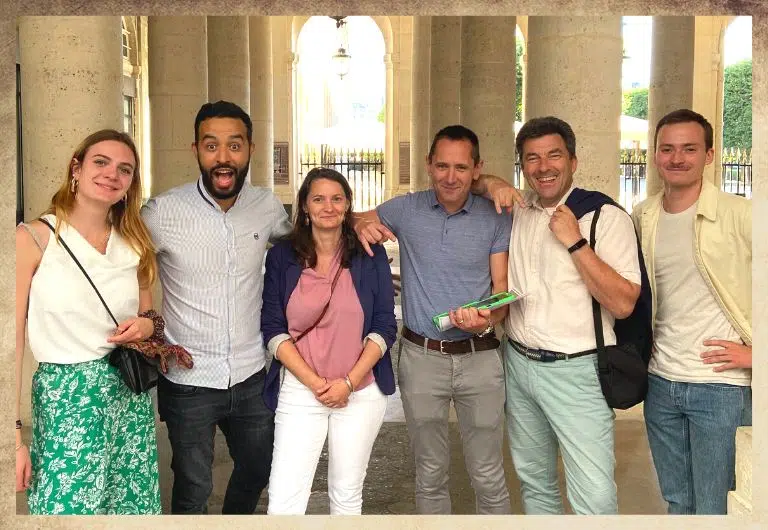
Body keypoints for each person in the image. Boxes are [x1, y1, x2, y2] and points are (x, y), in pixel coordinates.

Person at [478, 116, 642, 514]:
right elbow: (470, 180)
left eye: (554, 155)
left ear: (573, 161)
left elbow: (623, 303)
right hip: (518, 364)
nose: (543, 166)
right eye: (531, 158)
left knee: (594, 495)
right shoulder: (518, 210)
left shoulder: (604, 217)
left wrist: (575, 242)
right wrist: (495, 183)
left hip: (578, 372)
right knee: (535, 484)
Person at [141, 101, 292, 514]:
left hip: (251, 375)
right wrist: (147, 324)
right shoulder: (161, 213)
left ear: (250, 150)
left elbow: (307, 249)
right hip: (188, 378)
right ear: (196, 150)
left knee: (259, 468)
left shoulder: (268, 208)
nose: (223, 157)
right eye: (211, 146)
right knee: (192, 485)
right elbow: (124, 263)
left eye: (234, 145)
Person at [355, 125, 513, 514]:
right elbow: (348, 215)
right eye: (441, 166)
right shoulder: (406, 210)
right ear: (428, 165)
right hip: (421, 357)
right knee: (429, 473)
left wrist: (487, 317)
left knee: (489, 473)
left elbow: (503, 290)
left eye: (461, 167)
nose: (450, 177)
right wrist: (359, 223)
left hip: (480, 358)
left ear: (477, 169)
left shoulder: (494, 216)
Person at [15, 129, 163, 514]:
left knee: (130, 508)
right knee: (66, 508)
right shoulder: (33, 237)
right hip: (67, 396)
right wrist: (12, 435)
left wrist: (146, 327)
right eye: (101, 162)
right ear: (76, 169)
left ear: (131, 184)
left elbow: (150, 317)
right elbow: (10, 341)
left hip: (127, 392)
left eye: (125, 169)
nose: (112, 174)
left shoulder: (134, 241)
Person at [631, 109, 752, 515]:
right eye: (667, 149)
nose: (677, 158)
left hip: (720, 385)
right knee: (678, 501)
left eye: (689, 148)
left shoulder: (742, 214)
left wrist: (757, 354)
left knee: (715, 506)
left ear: (710, 154)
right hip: (661, 382)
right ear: (655, 155)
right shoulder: (644, 215)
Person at [260, 167, 397, 515]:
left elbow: (384, 324)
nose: (328, 206)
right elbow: (273, 328)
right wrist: (318, 384)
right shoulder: (283, 257)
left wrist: (348, 384)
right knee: (284, 500)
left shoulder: (369, 255)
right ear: (305, 206)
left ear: (348, 205)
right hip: (301, 390)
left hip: (360, 391)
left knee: (346, 496)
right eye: (318, 198)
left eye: (337, 199)